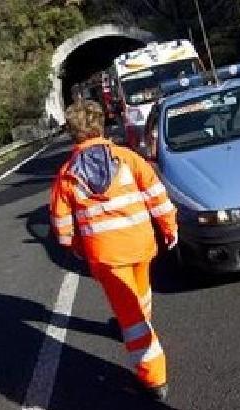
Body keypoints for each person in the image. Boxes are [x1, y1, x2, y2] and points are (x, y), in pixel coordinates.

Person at [49, 100, 178, 401]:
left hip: (106, 257)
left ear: (72, 133)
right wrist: (169, 228)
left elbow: (62, 227)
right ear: (101, 125)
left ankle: (154, 377)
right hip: (141, 244)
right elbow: (157, 196)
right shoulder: (128, 159)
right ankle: (143, 322)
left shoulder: (67, 175)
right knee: (141, 293)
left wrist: (78, 247)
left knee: (130, 319)